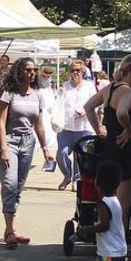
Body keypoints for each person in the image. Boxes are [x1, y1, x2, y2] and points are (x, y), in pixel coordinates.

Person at [84, 53, 131, 261]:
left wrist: (97, 129)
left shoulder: (109, 89)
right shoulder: (128, 92)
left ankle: (102, 252)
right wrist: (129, 129)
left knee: (108, 204)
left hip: (110, 150)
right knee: (122, 207)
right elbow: (121, 113)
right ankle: (119, 253)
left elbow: (88, 107)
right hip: (127, 152)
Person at [0, 57, 55, 247]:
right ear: (19, 71)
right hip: (10, 141)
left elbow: (39, 125)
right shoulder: (9, 93)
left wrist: (45, 148)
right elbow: (1, 122)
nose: (32, 73)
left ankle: (10, 228)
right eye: (28, 70)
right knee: (10, 183)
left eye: (34, 70)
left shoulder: (37, 95)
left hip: (28, 142)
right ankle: (9, 230)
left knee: (18, 186)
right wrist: (3, 148)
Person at [54, 59, 96, 190]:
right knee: (62, 153)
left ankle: (77, 180)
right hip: (66, 126)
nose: (75, 73)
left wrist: (85, 111)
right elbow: (58, 104)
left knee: (80, 156)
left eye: (78, 70)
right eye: (73, 70)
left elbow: (95, 103)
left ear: (83, 71)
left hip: (83, 127)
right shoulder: (65, 86)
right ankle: (67, 175)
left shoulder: (89, 86)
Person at [36, 66, 59, 174]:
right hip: (43, 96)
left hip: (48, 96)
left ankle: (48, 143)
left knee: (48, 122)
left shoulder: (49, 84)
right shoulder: (40, 80)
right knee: (43, 121)